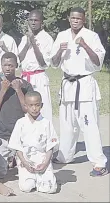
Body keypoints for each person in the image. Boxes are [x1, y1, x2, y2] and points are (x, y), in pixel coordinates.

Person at [51, 7, 108, 176]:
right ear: (69, 18)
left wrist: (84, 45)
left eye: (79, 18)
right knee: (67, 124)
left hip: (84, 85)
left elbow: (98, 62)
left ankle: (99, 162)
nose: (75, 21)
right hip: (67, 85)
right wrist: (60, 51)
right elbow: (53, 63)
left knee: (89, 126)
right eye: (73, 18)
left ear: (83, 20)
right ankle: (65, 155)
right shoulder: (62, 36)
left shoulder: (92, 36)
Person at [0, 52, 33, 179]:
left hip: (21, 135)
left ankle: (16, 159)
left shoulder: (25, 85)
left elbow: (27, 109)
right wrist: (3, 90)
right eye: (5, 65)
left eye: (11, 65)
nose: (8, 68)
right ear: (1, 65)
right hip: (2, 134)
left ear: (16, 66)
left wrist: (18, 90)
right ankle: (8, 160)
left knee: (27, 174)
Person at [8, 91, 58, 193]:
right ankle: (33, 179)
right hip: (26, 160)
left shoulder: (46, 123)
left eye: (37, 105)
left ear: (42, 105)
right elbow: (17, 146)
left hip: (42, 159)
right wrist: (25, 163)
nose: (34, 108)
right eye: (31, 105)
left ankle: (41, 179)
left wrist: (45, 163)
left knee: (51, 189)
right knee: (26, 187)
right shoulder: (20, 123)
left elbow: (50, 146)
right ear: (25, 106)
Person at [17, 10, 54, 121]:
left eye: (36, 20)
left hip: (39, 77)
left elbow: (44, 63)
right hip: (25, 77)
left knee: (42, 109)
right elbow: (18, 60)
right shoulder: (24, 38)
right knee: (25, 110)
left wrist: (33, 42)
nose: (33, 22)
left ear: (41, 22)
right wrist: (28, 43)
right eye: (31, 20)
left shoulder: (47, 39)